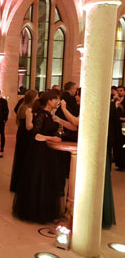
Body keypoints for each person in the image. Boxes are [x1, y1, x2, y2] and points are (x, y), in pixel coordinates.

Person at [13, 91, 76, 224]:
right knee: (40, 180)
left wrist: (59, 120)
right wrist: (51, 137)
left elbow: (71, 126)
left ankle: (46, 212)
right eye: (55, 100)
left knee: (48, 181)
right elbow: (35, 135)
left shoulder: (50, 115)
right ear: (49, 101)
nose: (57, 103)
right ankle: (38, 212)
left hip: (48, 152)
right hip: (40, 153)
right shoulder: (42, 114)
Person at [60, 99, 116, 227]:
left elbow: (75, 122)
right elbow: (75, 126)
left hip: (93, 150)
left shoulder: (90, 108)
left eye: (78, 96)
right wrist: (59, 120)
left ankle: (87, 215)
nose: (76, 99)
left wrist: (63, 108)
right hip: (93, 148)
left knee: (90, 181)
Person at [10, 89, 38, 193]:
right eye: (36, 97)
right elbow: (28, 126)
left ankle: (17, 184)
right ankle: (23, 184)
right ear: (33, 98)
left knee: (20, 157)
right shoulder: (29, 110)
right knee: (25, 158)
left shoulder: (22, 107)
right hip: (26, 135)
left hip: (20, 133)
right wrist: (37, 124)